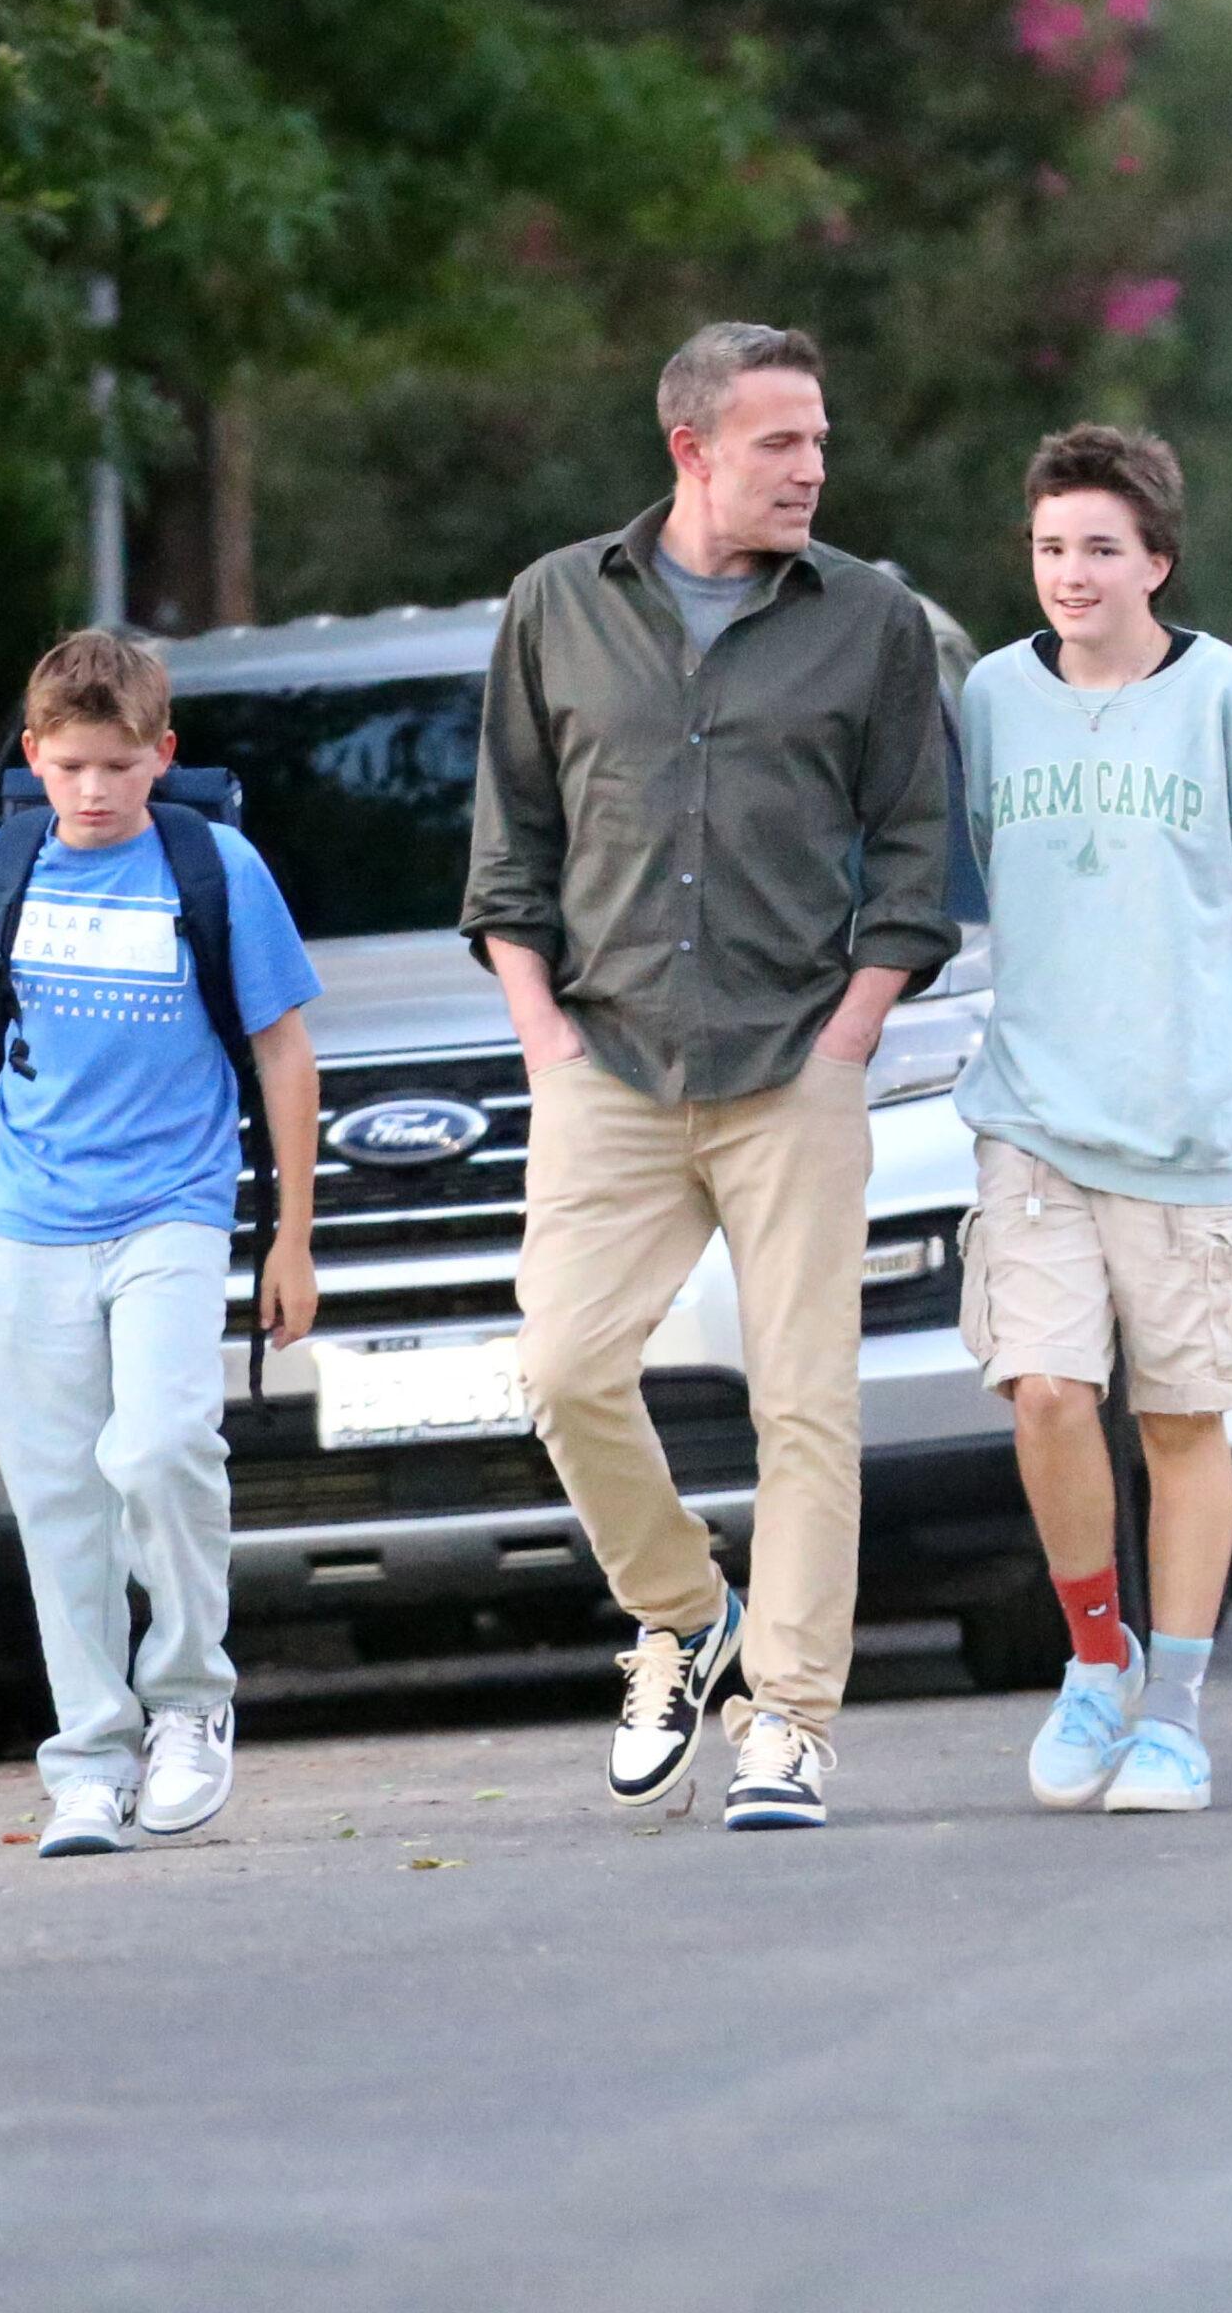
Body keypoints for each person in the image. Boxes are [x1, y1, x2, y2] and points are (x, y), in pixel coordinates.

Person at [462, 322, 957, 1829]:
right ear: (689, 451)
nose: (810, 468)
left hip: (792, 1061)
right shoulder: (558, 602)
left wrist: (850, 1034)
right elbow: (508, 853)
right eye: (777, 444)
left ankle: (790, 1722)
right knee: (559, 1370)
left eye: (816, 442)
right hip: (603, 1059)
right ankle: (683, 1611)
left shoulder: (866, 618)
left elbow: (918, 856)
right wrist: (541, 1034)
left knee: (804, 1405)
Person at [0, 631, 322, 1857]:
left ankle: (190, 1704)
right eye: (72, 764)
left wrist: (291, 1236)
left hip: (174, 1207)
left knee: (165, 1444)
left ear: (161, 756)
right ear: (34, 756)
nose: (94, 790)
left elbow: (284, 1050)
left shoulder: (214, 867)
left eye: (120, 764)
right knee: (57, 1496)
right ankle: (88, 1756)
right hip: (30, 1216)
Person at [954, 424, 1232, 1814]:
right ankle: (1094, 1658)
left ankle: (1172, 1711)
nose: (1070, 574)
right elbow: (985, 871)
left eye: (1099, 549)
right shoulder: (989, 697)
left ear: (1154, 560)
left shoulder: (1228, 699)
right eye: (1050, 548)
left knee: (1180, 1423)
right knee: (1044, 1392)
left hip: (1198, 1127)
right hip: (1037, 1115)